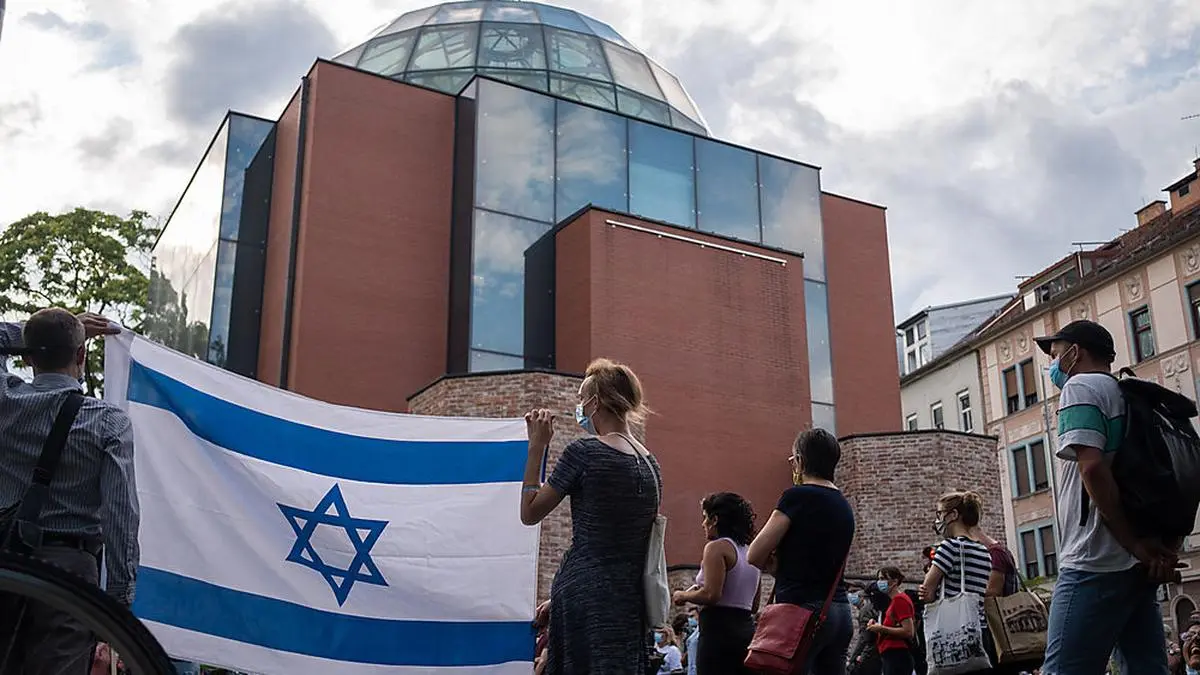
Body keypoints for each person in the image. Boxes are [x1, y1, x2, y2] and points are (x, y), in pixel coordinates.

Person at [0, 309, 138, 674]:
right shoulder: (109, 421)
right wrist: (117, 609)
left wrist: (26, 334)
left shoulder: (4, 401)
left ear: (28, 358)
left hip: (6, 561)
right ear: (81, 356)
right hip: (70, 578)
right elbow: (120, 519)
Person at [1035, 321, 1174, 675]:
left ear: (1075, 352)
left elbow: (1093, 468)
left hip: (1092, 560)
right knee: (1146, 668)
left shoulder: (1079, 387)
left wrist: (1131, 543)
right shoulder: (1128, 394)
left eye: (1054, 355)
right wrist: (1148, 545)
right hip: (1136, 566)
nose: (1052, 365)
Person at [519, 358, 660, 674]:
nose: (579, 406)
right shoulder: (652, 466)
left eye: (582, 399)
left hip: (583, 596)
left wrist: (536, 447)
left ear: (595, 402)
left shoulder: (584, 453)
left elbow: (530, 512)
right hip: (628, 603)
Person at [748, 428, 856, 675]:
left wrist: (774, 564)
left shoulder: (797, 497)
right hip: (838, 611)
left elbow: (754, 554)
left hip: (801, 612)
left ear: (800, 461)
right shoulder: (843, 505)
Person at [673, 492, 761, 674]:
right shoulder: (751, 552)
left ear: (715, 519)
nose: (703, 524)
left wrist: (683, 595)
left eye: (705, 518)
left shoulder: (717, 548)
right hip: (746, 631)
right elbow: (754, 604)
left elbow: (712, 594)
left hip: (718, 632)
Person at [867, 567, 915, 675]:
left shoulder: (899, 600)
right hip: (890, 654)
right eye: (879, 579)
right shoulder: (894, 601)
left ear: (895, 581)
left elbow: (908, 631)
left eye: (883, 578)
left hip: (897, 654)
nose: (880, 582)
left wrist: (881, 629)